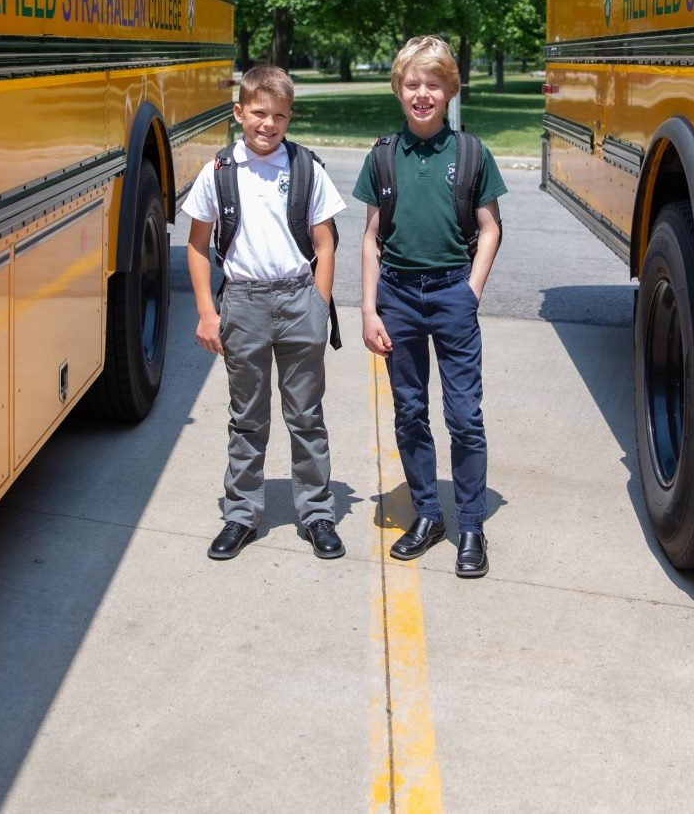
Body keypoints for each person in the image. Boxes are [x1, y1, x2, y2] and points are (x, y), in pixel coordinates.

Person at [354, 36, 506, 578]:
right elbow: (371, 237)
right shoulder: (382, 156)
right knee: (410, 412)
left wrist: (472, 289)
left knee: (464, 416)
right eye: (413, 84)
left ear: (449, 90)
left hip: (451, 295)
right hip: (396, 296)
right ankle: (427, 514)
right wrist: (369, 309)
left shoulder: (470, 154)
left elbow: (490, 228)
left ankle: (469, 525)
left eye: (433, 84)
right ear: (399, 89)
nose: (422, 93)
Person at [183, 64, 348, 561]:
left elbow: (325, 241)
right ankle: (241, 513)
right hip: (244, 303)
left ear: (289, 117)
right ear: (239, 113)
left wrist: (319, 304)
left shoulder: (306, 168)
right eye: (258, 113)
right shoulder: (218, 172)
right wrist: (207, 313)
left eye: (278, 115)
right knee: (247, 417)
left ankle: (317, 512)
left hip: (299, 300)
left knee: (306, 415)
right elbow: (196, 246)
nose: (267, 124)